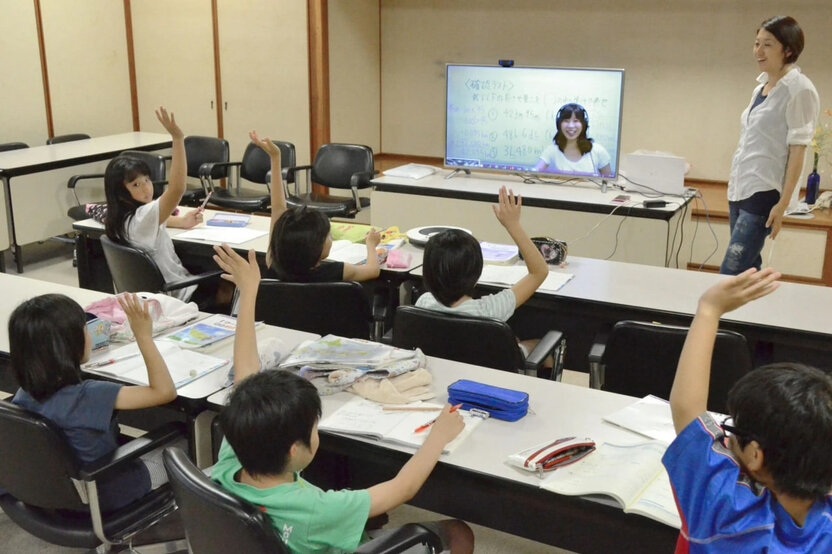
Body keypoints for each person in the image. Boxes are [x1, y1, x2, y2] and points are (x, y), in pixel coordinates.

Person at [209, 242, 475, 553]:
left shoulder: (234, 458)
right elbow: (403, 488)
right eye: (313, 428)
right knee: (459, 533)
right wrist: (438, 436)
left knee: (370, 515)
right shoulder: (319, 510)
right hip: (323, 537)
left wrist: (249, 291)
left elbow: (246, 377)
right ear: (295, 450)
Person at [663, 267, 832, 552]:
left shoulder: (724, 505)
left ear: (755, 456)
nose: (726, 437)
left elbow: (686, 407)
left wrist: (709, 309)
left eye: (732, 426)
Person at [9, 293, 179, 512]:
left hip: (58, 491)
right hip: (107, 493)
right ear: (71, 343)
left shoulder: (23, 393)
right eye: (84, 328)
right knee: (186, 444)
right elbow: (165, 391)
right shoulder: (89, 395)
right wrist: (143, 336)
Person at [719, 16, 819, 275]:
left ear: (788, 50)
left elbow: (798, 149)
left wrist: (783, 204)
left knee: (731, 272)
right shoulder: (761, 88)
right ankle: (754, 315)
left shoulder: (799, 89)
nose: (758, 51)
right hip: (740, 189)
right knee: (747, 272)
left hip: (765, 194)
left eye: (767, 45)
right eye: (756, 44)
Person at [416, 186, 550, 363]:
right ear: (476, 272)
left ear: (428, 273)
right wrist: (513, 225)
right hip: (487, 381)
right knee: (540, 346)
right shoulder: (489, 310)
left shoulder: (422, 303)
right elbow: (539, 272)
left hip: (440, 377)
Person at [248, 131, 381, 283]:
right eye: (328, 235)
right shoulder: (337, 271)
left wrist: (275, 158)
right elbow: (372, 270)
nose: (331, 238)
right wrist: (371, 245)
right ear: (317, 248)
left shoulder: (275, 265)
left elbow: (277, 209)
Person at [104, 107, 205, 301]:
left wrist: (182, 221)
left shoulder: (120, 219)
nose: (146, 188)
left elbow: (152, 223)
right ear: (121, 191)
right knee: (239, 282)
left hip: (155, 297)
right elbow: (176, 189)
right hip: (181, 293)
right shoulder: (144, 216)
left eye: (147, 180)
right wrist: (177, 139)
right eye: (135, 184)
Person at [535, 103, 612, 177]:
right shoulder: (551, 151)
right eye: (566, 121)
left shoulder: (598, 151)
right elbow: (533, 174)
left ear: (583, 124)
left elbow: (609, 182)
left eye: (576, 121)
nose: (571, 126)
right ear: (559, 124)